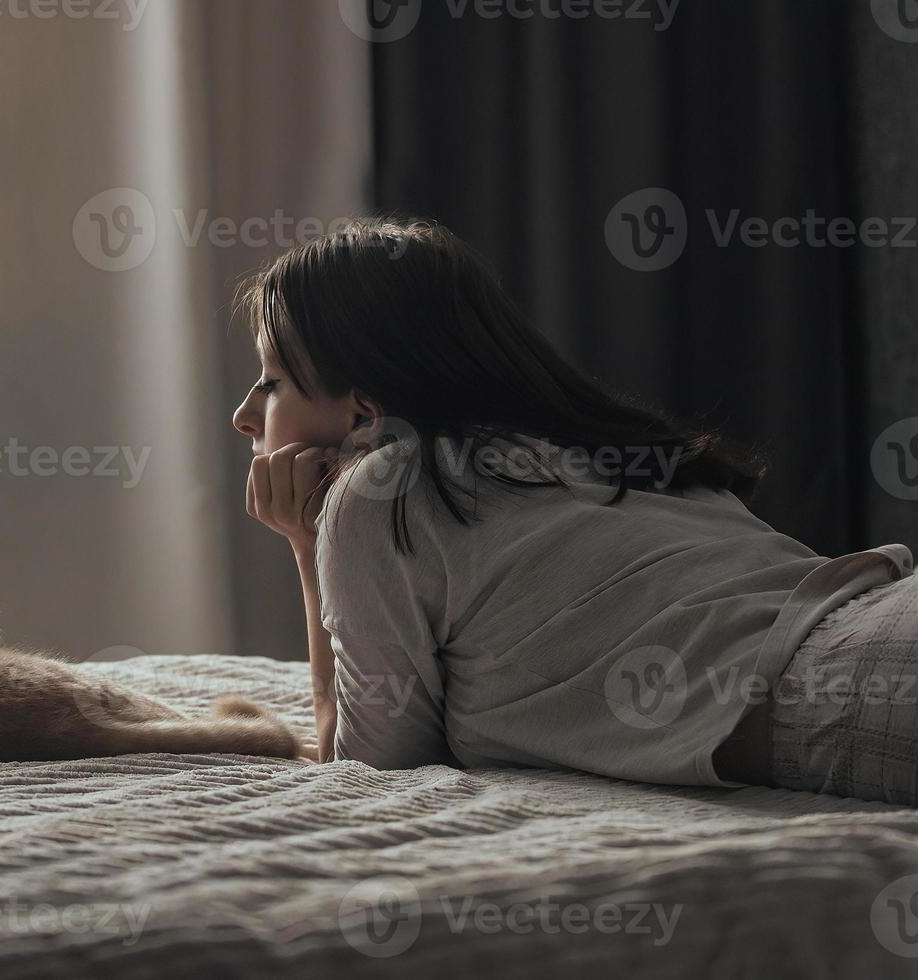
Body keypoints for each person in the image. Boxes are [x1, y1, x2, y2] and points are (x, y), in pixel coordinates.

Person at [232, 217, 916, 805]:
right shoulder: (586, 447)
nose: (243, 415)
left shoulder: (379, 491)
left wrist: (307, 543)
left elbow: (370, 769)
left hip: (858, 694)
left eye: (271, 381)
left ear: (361, 414)